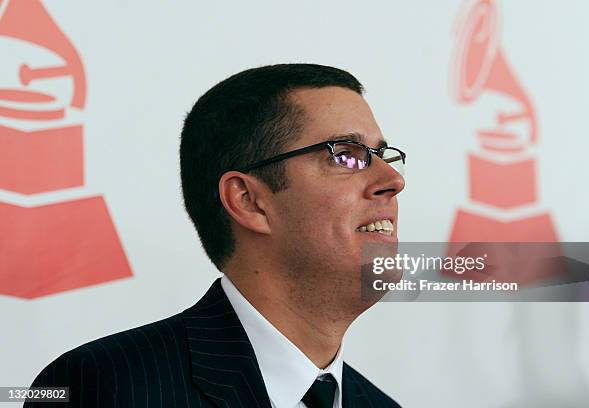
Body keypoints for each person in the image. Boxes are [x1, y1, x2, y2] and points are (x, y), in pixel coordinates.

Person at [26, 63, 405, 407]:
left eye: (382, 155)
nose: (393, 180)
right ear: (248, 201)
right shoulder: (104, 387)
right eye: (346, 154)